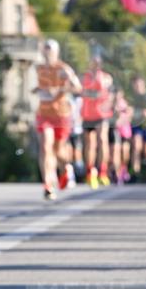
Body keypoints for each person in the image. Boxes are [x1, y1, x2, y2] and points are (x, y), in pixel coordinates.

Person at [33, 39, 81, 200]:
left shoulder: (63, 69)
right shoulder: (39, 68)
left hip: (61, 115)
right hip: (44, 113)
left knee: (58, 151)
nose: (47, 52)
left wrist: (60, 88)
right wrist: (39, 90)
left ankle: (66, 168)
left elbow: (78, 88)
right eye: (45, 49)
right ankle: (48, 184)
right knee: (45, 147)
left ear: (56, 52)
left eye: (50, 50)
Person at [80, 51, 114, 188]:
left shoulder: (106, 77)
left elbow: (109, 93)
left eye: (97, 63)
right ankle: (90, 172)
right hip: (88, 115)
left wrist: (106, 100)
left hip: (101, 115)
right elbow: (83, 91)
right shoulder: (85, 78)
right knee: (90, 144)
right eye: (93, 63)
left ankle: (103, 171)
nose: (95, 65)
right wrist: (95, 94)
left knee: (102, 140)